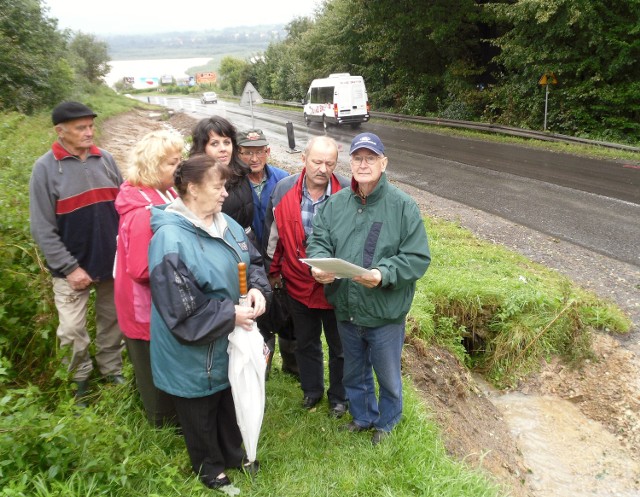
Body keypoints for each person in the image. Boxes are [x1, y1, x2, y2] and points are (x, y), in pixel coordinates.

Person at [148, 154, 269, 490]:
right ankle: (209, 467)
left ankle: (233, 454)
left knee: (227, 400)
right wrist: (230, 313)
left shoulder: (226, 223)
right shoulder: (169, 240)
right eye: (218, 187)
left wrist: (259, 290)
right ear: (191, 188)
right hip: (190, 354)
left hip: (226, 342)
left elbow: (252, 258)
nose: (225, 195)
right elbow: (181, 311)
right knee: (199, 409)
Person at [306, 132, 431, 445]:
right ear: (351, 163)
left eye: (370, 158)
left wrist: (383, 273)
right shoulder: (335, 204)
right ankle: (363, 417)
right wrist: (320, 267)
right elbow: (319, 240)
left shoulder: (403, 206)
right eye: (358, 158)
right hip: (347, 308)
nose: (363, 164)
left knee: (387, 376)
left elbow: (417, 258)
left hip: (384, 312)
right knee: (354, 371)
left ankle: (386, 424)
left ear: (383, 163)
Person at [29, 101, 125, 406]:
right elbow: (43, 228)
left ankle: (112, 371)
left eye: (91, 126)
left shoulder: (106, 159)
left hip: (110, 263)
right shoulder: (45, 169)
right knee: (71, 330)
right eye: (80, 128)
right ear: (60, 131)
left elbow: (125, 207)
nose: (89, 132)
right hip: (70, 270)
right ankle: (80, 381)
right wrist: (69, 268)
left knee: (112, 322)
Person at [263, 136, 348, 416]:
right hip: (298, 284)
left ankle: (339, 397)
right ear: (303, 159)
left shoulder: (347, 192)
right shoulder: (283, 189)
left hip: (336, 288)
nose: (323, 169)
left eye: (330, 163)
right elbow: (275, 237)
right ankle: (311, 391)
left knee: (340, 347)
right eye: (317, 161)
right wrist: (273, 273)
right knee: (305, 343)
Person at [114, 129, 184, 427]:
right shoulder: (143, 212)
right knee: (150, 360)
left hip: (158, 298)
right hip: (143, 302)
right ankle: (161, 422)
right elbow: (142, 269)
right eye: (172, 163)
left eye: (180, 160)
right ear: (153, 167)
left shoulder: (163, 192)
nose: (178, 168)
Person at [236, 128, 297, 378]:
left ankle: (294, 367)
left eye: (259, 152)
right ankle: (261, 368)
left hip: (280, 261)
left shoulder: (284, 181)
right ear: (238, 153)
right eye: (247, 152)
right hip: (247, 262)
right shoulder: (233, 185)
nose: (253, 158)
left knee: (289, 314)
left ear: (267, 152)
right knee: (258, 312)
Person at [189, 116, 256, 246]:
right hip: (222, 246)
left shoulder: (241, 173)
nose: (223, 149)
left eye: (227, 142)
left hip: (249, 243)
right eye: (214, 143)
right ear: (202, 148)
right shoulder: (197, 185)